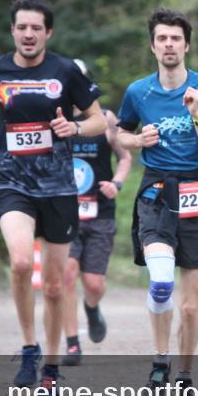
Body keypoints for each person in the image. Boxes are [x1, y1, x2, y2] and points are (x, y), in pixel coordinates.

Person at [0, 0, 106, 393]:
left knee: (55, 287)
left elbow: (97, 120)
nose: (28, 34)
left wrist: (75, 128)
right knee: (22, 262)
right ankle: (29, 347)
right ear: (13, 31)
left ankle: (52, 368)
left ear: (48, 33)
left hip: (58, 188)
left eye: (36, 28)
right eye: (21, 27)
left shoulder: (65, 71)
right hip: (13, 183)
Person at [116, 8, 198, 396]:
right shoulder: (138, 92)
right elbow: (119, 133)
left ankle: (184, 376)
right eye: (162, 38)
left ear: (186, 46)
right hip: (157, 191)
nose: (169, 45)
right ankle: (159, 361)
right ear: (153, 46)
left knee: (190, 306)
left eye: (175, 39)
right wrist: (137, 141)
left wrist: (196, 114)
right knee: (162, 282)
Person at [60, 59, 133, 365]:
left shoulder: (105, 118)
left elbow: (124, 157)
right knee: (67, 274)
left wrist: (116, 183)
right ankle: (72, 343)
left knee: (94, 284)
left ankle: (91, 308)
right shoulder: (56, 119)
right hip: (65, 211)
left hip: (100, 211)